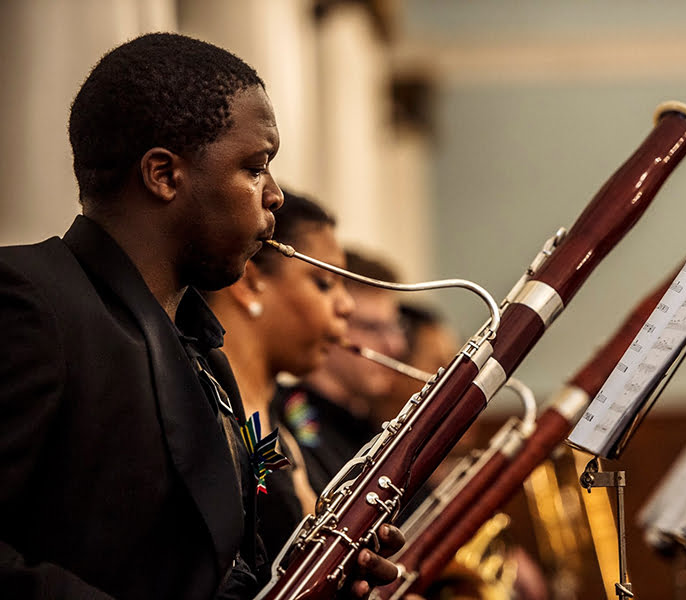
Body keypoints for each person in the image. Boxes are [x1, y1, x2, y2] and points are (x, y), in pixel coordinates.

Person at [0, 32, 401, 600]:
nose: (276, 196)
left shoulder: (207, 352)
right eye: (255, 166)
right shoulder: (29, 300)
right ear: (163, 174)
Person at [204, 190, 353, 552]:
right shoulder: (201, 410)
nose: (347, 305)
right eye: (324, 283)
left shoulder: (281, 418)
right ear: (248, 282)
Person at [274, 250, 407, 494]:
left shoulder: (366, 423)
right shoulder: (290, 417)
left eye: (395, 326)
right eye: (372, 327)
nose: (396, 346)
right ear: (331, 324)